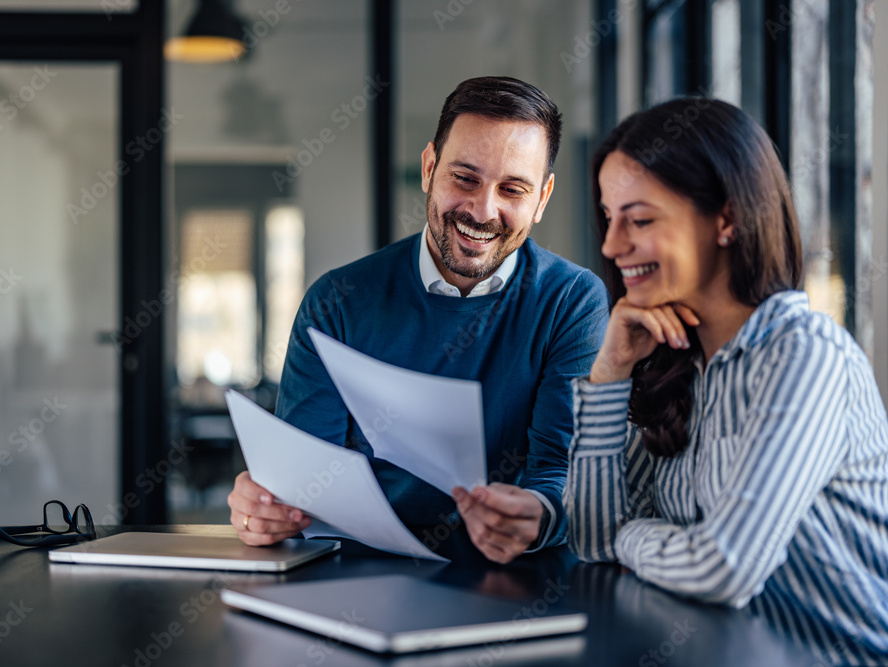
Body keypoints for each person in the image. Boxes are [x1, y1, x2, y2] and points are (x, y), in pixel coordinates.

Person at [228, 76, 609, 563]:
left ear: (542, 199)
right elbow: (305, 479)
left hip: (520, 577)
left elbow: (562, 470)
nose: (482, 210)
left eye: (512, 189)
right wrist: (266, 508)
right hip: (364, 577)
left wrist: (536, 514)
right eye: (464, 178)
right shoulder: (338, 301)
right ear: (430, 168)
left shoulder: (572, 301)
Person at [564, 97, 888, 655]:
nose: (611, 246)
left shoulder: (805, 357)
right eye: (610, 218)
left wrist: (631, 536)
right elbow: (593, 539)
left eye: (638, 219)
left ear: (728, 218)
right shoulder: (682, 366)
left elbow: (724, 567)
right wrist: (611, 372)